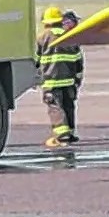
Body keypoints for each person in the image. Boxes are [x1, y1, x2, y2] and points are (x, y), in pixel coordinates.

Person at [36, 8, 83, 147]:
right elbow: (79, 61)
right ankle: (71, 132)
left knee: (55, 107)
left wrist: (36, 75)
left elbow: (36, 59)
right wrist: (78, 79)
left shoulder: (42, 38)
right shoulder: (70, 36)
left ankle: (62, 136)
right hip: (69, 80)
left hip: (51, 81)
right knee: (69, 105)